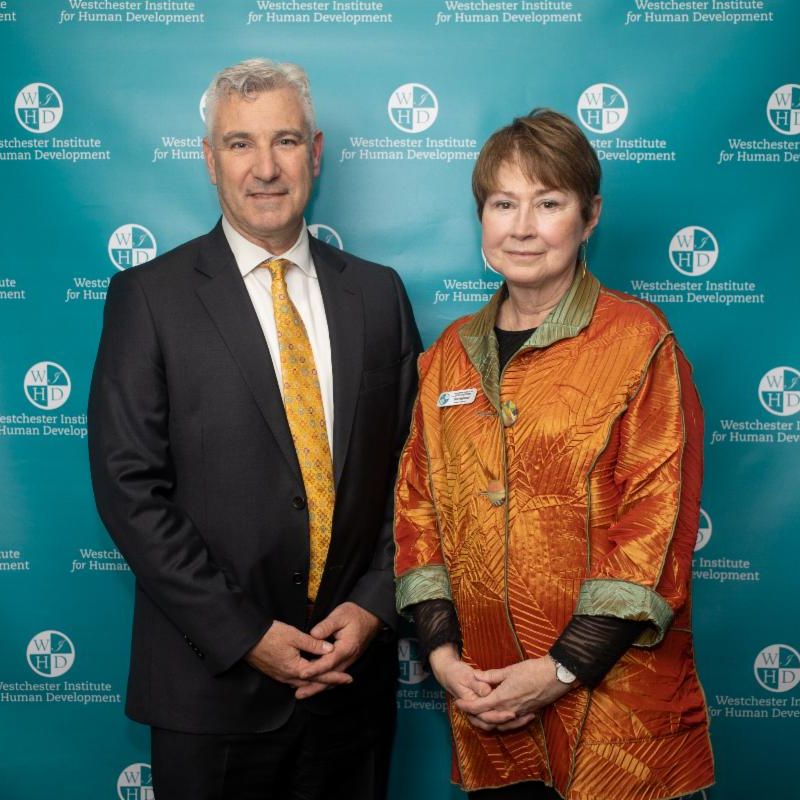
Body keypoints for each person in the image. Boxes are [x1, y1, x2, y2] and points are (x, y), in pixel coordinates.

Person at [88, 58, 421, 800]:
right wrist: (246, 636)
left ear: (318, 151)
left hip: (350, 692)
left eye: (286, 142)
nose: (265, 168)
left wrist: (373, 607)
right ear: (209, 160)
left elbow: (419, 473)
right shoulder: (148, 298)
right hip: (210, 694)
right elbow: (128, 487)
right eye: (240, 144)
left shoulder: (377, 294)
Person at [394, 109, 714, 799]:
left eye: (549, 203)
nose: (523, 227)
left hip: (618, 723)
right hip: (488, 707)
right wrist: (445, 659)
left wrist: (561, 668)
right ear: (481, 217)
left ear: (589, 216)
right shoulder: (449, 354)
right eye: (503, 204)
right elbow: (416, 511)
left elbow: (654, 530)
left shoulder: (639, 341)